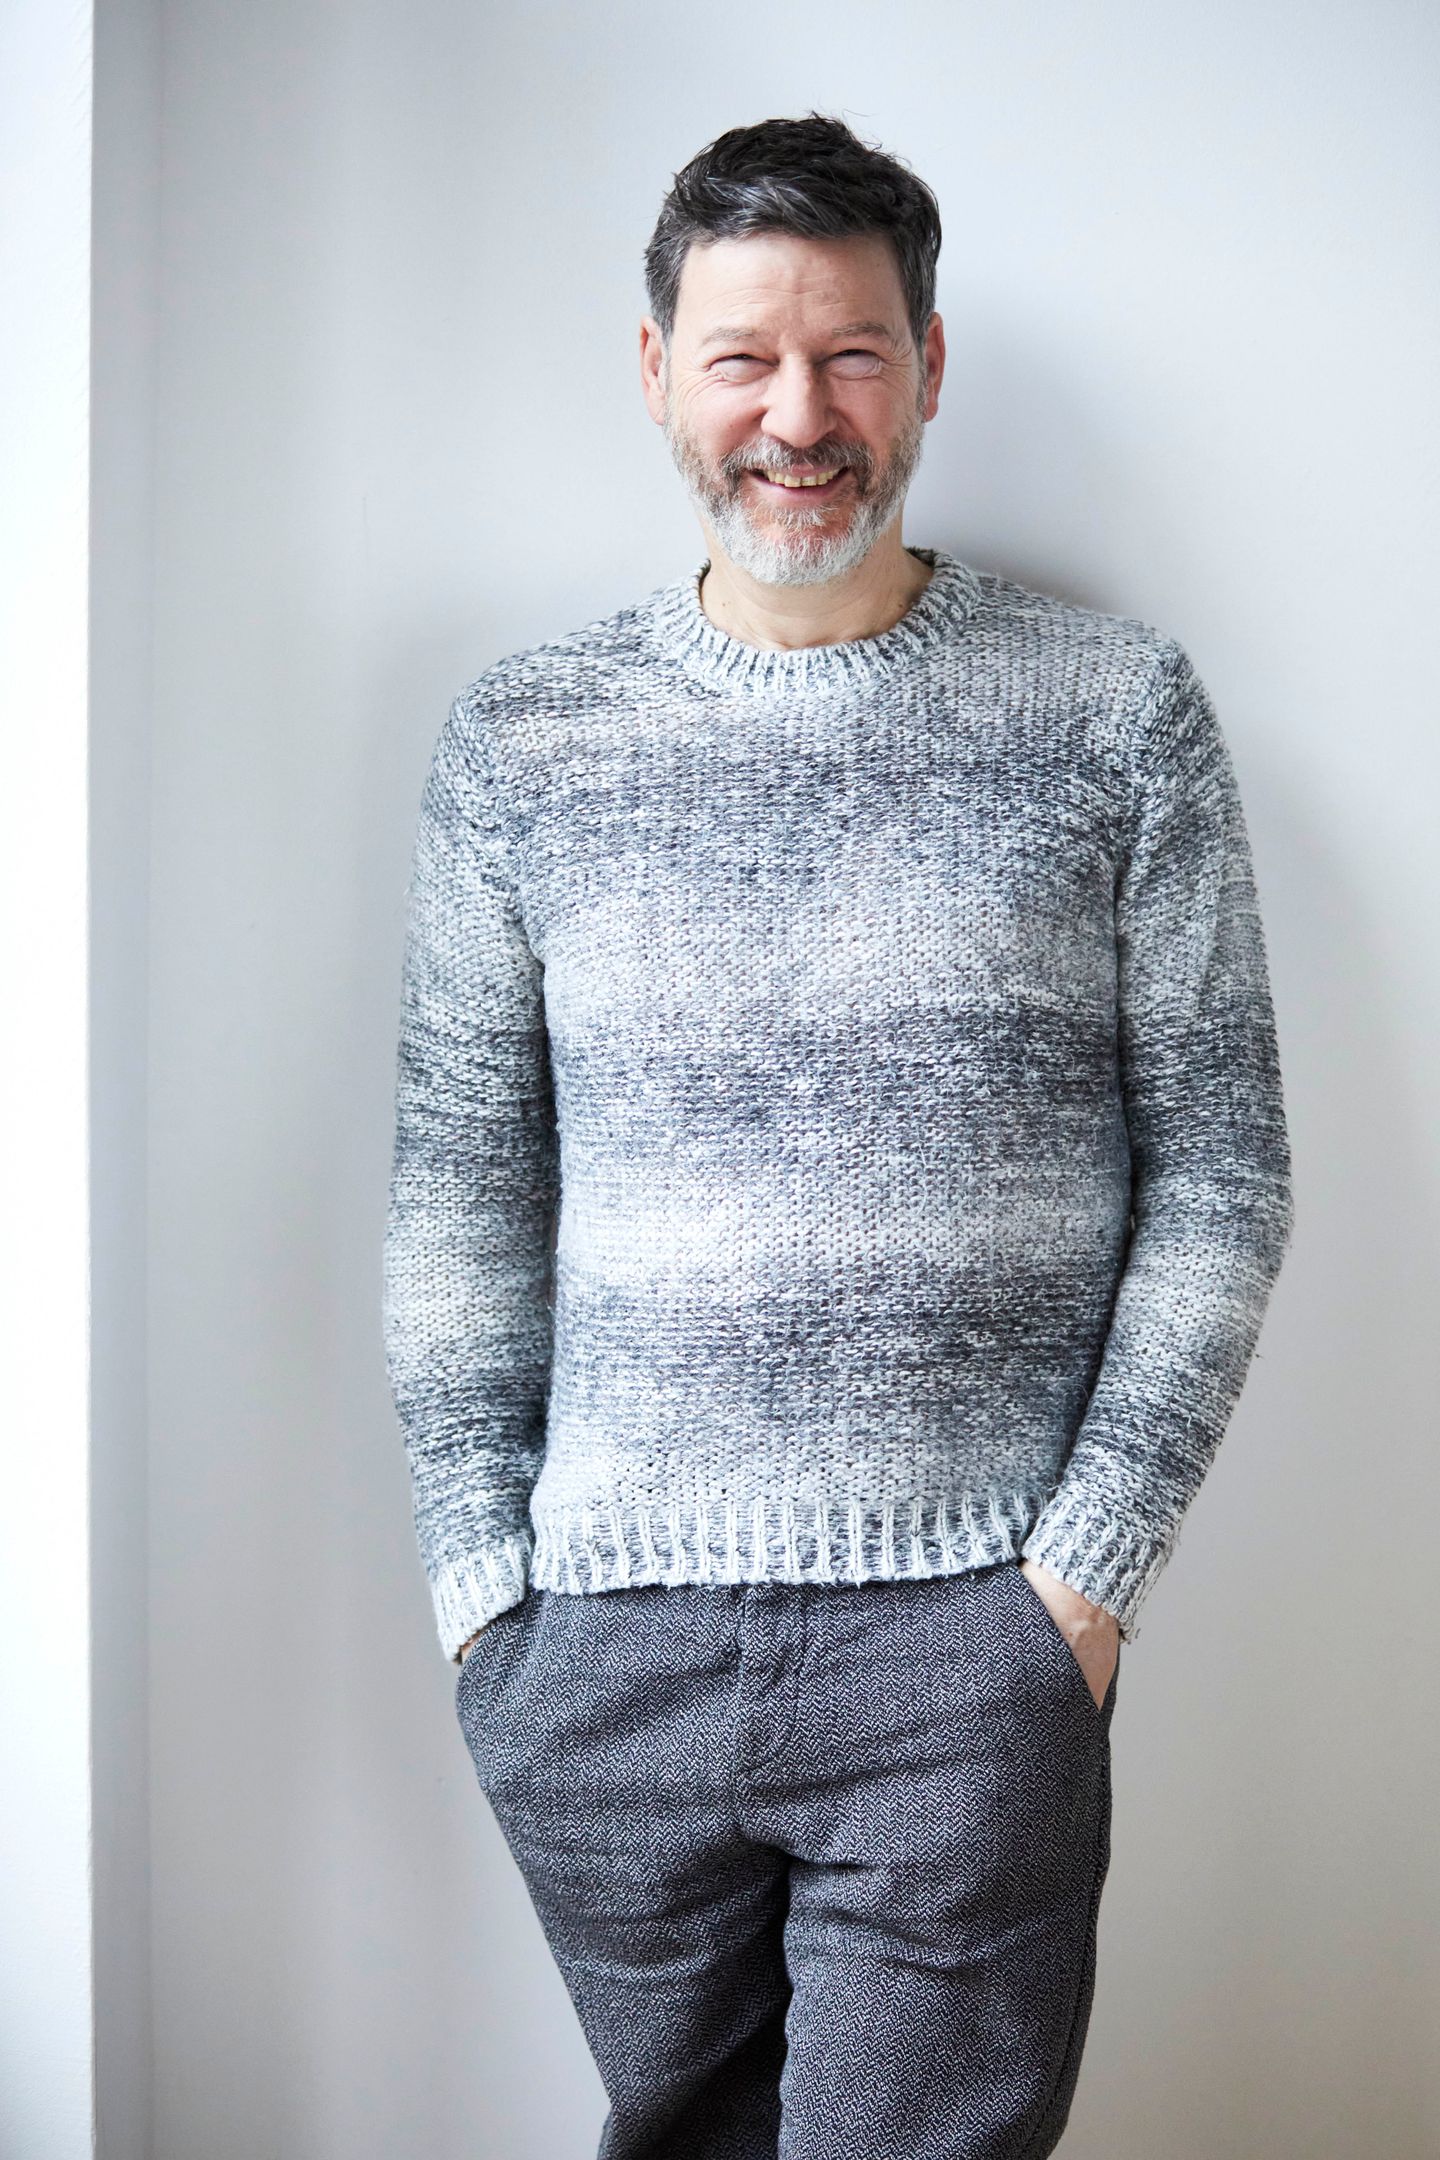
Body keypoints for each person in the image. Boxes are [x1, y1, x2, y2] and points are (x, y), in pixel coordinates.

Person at [381, 111, 1294, 2160]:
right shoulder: (523, 743)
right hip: (601, 1660)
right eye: (742, 358)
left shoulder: (1114, 714)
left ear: (929, 365)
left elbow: (1224, 1175)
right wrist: (484, 1598)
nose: (798, 418)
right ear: (658, 373)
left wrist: (1079, 1588)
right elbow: (462, 1192)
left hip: (970, 1652)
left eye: (851, 355)